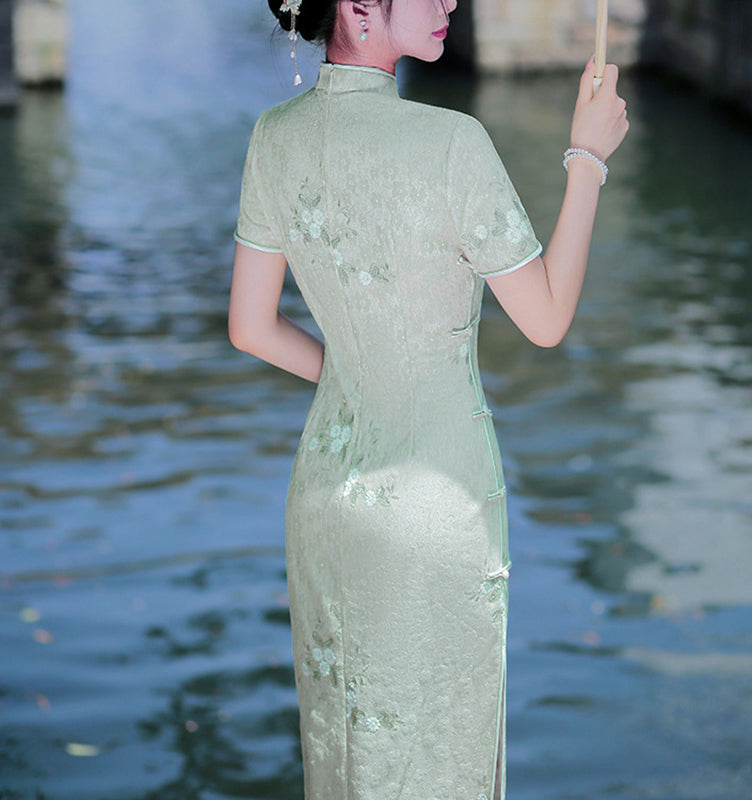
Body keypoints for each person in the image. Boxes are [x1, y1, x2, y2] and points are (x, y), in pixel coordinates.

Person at [227, 0, 628, 797]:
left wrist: (358, 371)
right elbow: (545, 320)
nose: (450, 2)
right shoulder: (452, 143)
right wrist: (587, 155)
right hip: (433, 507)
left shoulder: (274, 135)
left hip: (324, 500)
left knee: (345, 763)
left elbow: (250, 328)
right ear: (361, 6)